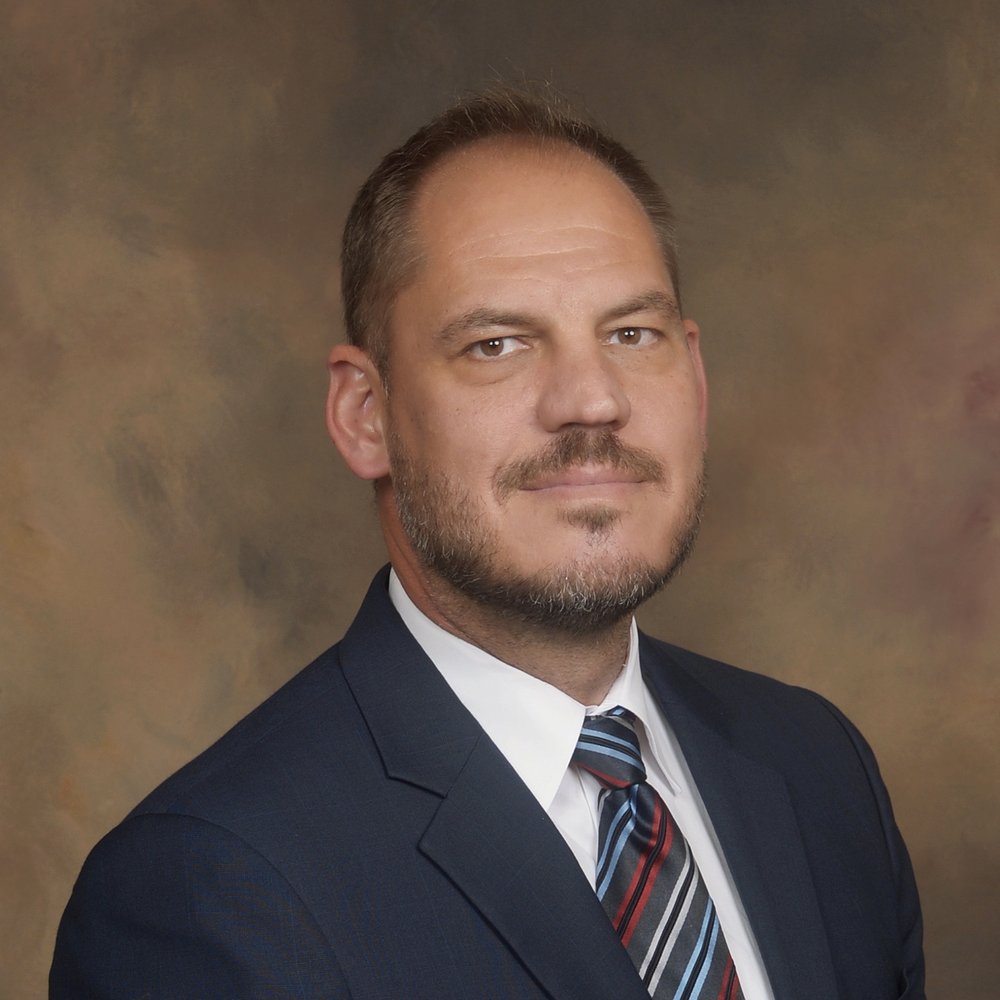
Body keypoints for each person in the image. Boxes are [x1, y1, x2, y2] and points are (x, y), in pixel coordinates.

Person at [51, 88, 925, 1000]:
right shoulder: (209, 889)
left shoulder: (816, 766)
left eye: (633, 334)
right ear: (365, 414)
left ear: (696, 377)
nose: (593, 399)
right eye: (498, 344)